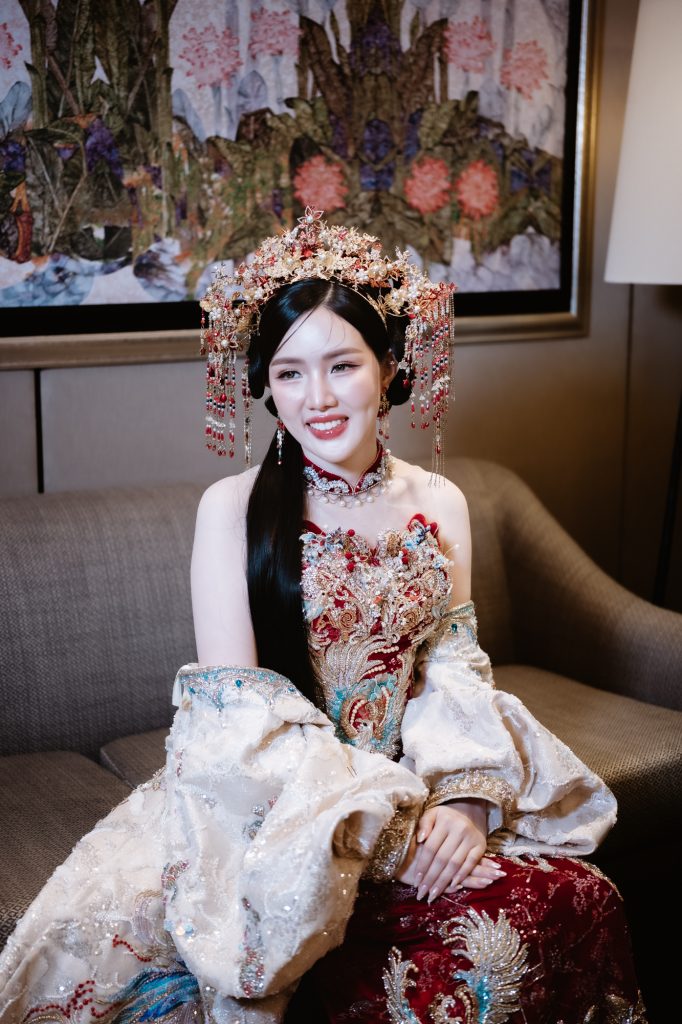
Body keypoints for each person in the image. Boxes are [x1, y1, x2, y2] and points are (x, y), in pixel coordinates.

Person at [0, 210, 645, 1024]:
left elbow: (451, 663)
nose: (319, 398)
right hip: (277, 806)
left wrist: (466, 802)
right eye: (290, 372)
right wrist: (389, 833)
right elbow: (239, 715)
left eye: (342, 364)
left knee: (578, 897)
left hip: (418, 784)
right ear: (265, 385)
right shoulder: (231, 508)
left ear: (389, 366)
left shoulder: (441, 500)